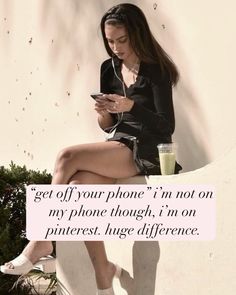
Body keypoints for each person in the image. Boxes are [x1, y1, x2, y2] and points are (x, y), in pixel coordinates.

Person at [0, 3, 181, 294]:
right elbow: (109, 126)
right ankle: (103, 273)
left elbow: (165, 126)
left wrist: (132, 106)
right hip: (118, 144)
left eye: (122, 40)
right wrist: (104, 113)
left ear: (137, 34)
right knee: (77, 187)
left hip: (144, 149)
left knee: (66, 156)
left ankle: (43, 238)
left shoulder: (155, 71)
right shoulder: (108, 68)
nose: (116, 47)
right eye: (110, 41)